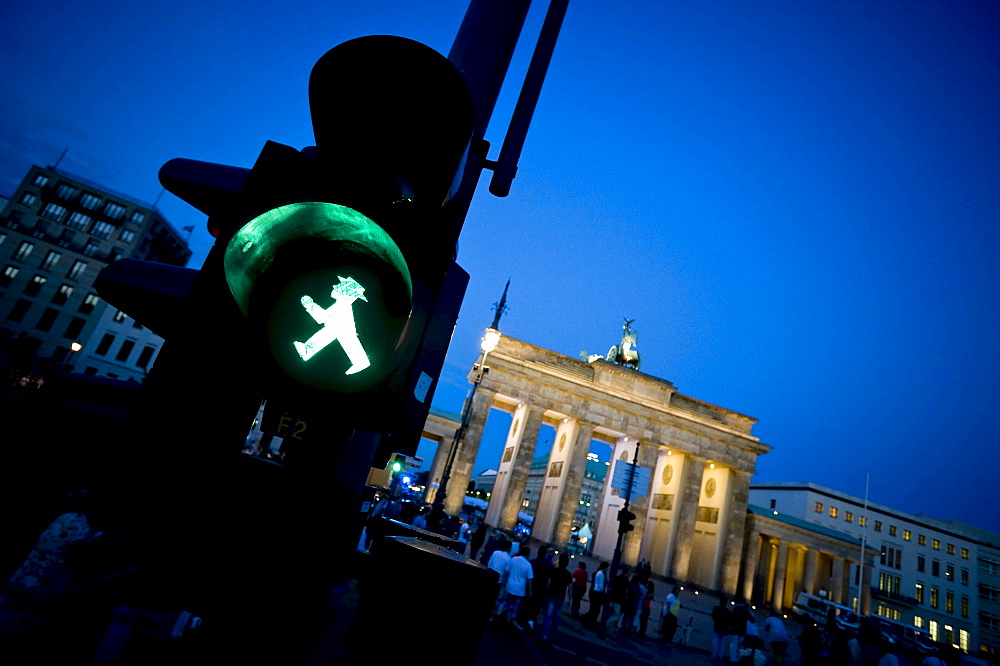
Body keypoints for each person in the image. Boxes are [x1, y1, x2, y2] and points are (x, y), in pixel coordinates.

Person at [541, 552, 573, 642]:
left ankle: (545, 634)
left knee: (548, 615)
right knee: (556, 617)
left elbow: (548, 582)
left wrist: (545, 592)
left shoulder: (554, 571)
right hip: (560, 597)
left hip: (551, 594)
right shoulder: (568, 574)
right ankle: (553, 633)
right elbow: (570, 588)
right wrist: (570, 599)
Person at [502, 546, 533, 628]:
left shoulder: (513, 559)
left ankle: (497, 618)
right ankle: (508, 623)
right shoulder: (528, 565)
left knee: (505, 603)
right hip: (519, 590)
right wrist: (530, 592)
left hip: (510, 586)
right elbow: (530, 580)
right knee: (514, 608)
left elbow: (506, 571)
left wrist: (505, 582)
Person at [583, 561, 608, 628]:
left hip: (594, 592)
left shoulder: (597, 573)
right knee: (596, 609)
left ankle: (589, 621)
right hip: (597, 593)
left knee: (594, 608)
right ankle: (591, 622)